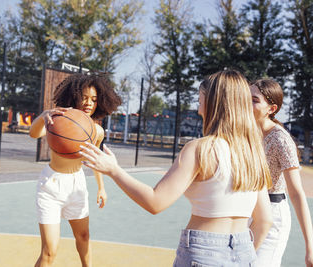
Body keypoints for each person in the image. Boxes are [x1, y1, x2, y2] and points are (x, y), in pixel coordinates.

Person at [79, 70, 273, 266]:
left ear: (214, 103)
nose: (198, 109)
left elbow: (155, 202)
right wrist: (240, 256)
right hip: (244, 251)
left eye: (200, 101)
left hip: (203, 251)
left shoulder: (200, 149)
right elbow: (264, 221)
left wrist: (114, 170)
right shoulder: (253, 152)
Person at [29, 73, 121, 267]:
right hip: (51, 185)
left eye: (94, 99)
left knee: (84, 238)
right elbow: (34, 133)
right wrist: (44, 115)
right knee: (49, 251)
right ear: (74, 96)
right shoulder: (60, 118)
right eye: (85, 97)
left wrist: (101, 187)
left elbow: (95, 160)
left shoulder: (97, 131)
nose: (89, 103)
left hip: (76, 185)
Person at [250, 79, 313, 267]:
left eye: (254, 99)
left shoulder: (281, 139)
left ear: (272, 108)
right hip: (247, 212)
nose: (246, 103)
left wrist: (310, 247)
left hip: (273, 216)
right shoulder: (246, 132)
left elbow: (296, 193)